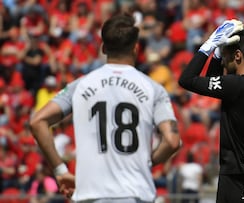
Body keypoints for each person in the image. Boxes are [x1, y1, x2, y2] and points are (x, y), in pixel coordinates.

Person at [29, 13, 182, 203]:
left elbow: (37, 121)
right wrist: (148, 161)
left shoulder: (81, 85)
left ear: (103, 48)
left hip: (91, 195)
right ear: (135, 48)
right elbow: (172, 141)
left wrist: (60, 170)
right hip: (135, 193)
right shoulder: (153, 88)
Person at [179, 20, 244, 202]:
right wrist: (217, 53)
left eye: (225, 56)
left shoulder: (236, 85)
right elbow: (213, 82)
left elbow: (186, 79)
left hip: (237, 179)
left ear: (237, 56)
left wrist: (209, 45)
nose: (223, 61)